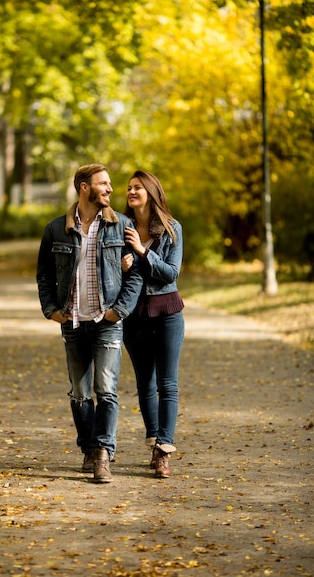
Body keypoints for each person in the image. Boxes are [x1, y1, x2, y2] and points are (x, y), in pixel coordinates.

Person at [36, 164, 143, 483]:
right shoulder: (56, 229)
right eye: (104, 184)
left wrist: (119, 310)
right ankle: (88, 447)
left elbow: (135, 272)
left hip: (107, 321)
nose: (111, 189)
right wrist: (51, 310)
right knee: (80, 394)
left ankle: (102, 455)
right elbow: (44, 274)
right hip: (72, 322)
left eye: (111, 184)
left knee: (106, 391)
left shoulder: (121, 225)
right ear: (84, 188)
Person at [121, 170, 184, 479]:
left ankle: (164, 450)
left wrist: (143, 253)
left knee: (167, 384)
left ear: (151, 192)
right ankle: (154, 440)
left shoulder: (172, 229)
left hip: (168, 311)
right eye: (129, 187)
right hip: (134, 314)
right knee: (145, 383)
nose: (131, 191)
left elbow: (171, 273)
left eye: (137, 187)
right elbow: (108, 274)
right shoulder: (119, 228)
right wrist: (120, 265)